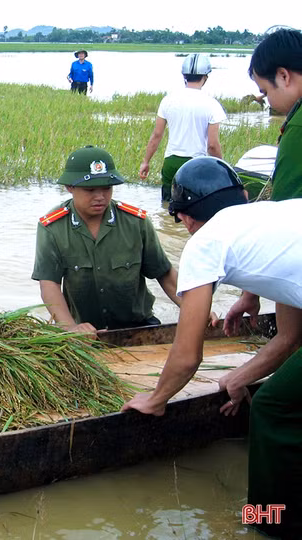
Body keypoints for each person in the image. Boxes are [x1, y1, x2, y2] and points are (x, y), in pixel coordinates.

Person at [122, 156, 302, 538]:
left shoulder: (204, 243)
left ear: (185, 218)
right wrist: (242, 374)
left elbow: (187, 355)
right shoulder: (273, 217)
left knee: (272, 408)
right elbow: (289, 338)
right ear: (242, 195)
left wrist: (155, 400)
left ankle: (270, 524)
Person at [32, 146, 180, 335]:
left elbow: (165, 274)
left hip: (138, 326)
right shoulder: (52, 228)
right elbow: (49, 284)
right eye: (90, 189)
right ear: (69, 187)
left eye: (106, 188)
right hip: (84, 332)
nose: (100, 197)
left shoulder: (136, 222)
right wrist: (70, 328)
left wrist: (196, 310)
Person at [224, 29, 302, 346]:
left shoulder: (297, 127)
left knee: (272, 398)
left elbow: (282, 229)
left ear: (283, 76)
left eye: (264, 90)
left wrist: (250, 294)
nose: (267, 100)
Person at [139, 53, 226, 200]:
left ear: (184, 76)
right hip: (196, 164)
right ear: (205, 77)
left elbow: (157, 135)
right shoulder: (212, 104)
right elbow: (212, 145)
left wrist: (146, 162)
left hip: (170, 163)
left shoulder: (168, 100)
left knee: (166, 207)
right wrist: (223, 168)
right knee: (192, 209)